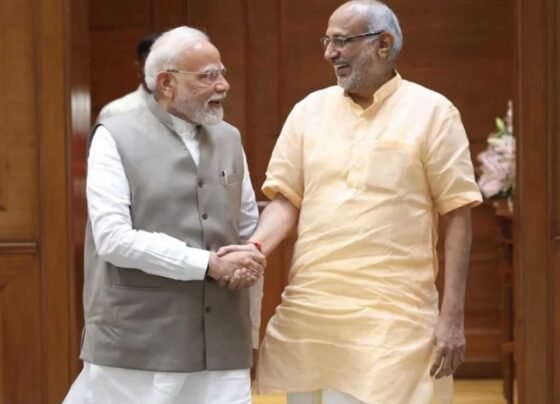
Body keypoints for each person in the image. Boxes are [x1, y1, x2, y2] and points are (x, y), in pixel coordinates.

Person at [218, 1, 483, 403]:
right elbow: (286, 201)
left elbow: (457, 213)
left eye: (341, 41)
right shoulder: (309, 111)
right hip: (312, 310)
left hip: (394, 315)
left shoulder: (433, 112)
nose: (330, 53)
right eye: (326, 41)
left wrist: (452, 316)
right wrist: (255, 247)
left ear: (383, 44)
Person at [64, 26, 265, 404]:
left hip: (223, 342)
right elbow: (113, 239)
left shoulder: (229, 137)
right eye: (208, 76)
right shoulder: (113, 134)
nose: (223, 85)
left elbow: (248, 225)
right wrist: (207, 264)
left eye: (222, 73)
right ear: (166, 83)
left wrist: (249, 263)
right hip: (138, 344)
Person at [96, 32, 160, 122]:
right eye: (151, 64)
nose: (159, 71)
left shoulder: (180, 111)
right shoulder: (115, 112)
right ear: (139, 67)